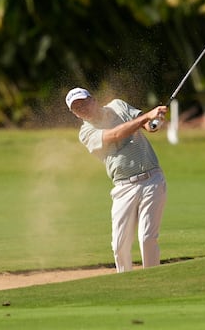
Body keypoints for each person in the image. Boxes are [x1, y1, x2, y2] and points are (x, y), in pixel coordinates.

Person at [65, 87, 168, 273]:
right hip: (123, 187)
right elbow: (115, 135)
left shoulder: (118, 106)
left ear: (93, 99)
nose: (83, 109)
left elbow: (147, 126)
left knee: (147, 238)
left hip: (152, 179)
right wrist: (146, 117)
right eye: (77, 108)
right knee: (119, 246)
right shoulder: (86, 132)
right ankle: (126, 284)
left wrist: (155, 121)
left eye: (84, 103)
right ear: (75, 114)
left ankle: (153, 282)